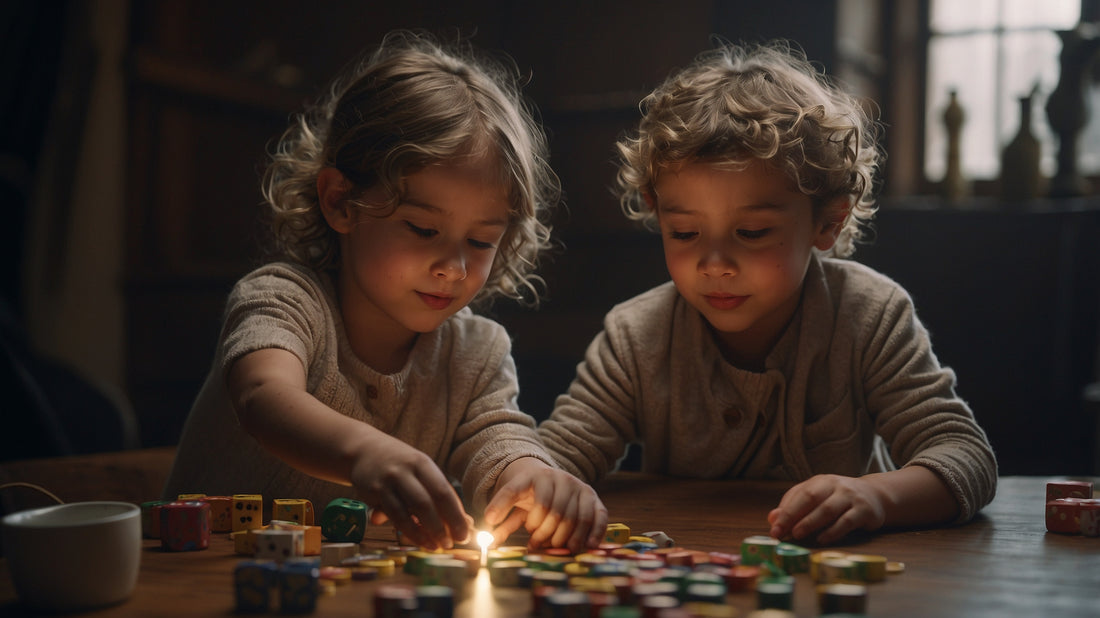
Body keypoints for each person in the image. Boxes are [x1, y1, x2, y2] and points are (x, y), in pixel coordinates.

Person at [538, 40, 998, 545]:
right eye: (685, 233)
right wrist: (547, 482)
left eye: (752, 233)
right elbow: (556, 458)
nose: (714, 265)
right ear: (656, 209)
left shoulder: (872, 315)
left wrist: (876, 496)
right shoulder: (635, 335)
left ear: (828, 221)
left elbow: (965, 456)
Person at [163, 31, 606, 552]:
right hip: (193, 582)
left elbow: (500, 439)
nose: (453, 266)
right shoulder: (283, 298)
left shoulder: (477, 353)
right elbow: (263, 397)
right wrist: (364, 453)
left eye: (482, 240)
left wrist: (537, 476)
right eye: (422, 229)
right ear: (340, 201)